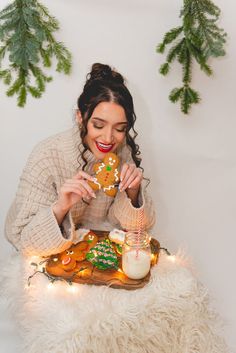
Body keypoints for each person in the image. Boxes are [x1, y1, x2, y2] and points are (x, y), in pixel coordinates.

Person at [5, 63, 155, 257]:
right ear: (80, 117)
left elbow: (138, 232)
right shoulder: (47, 156)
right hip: (44, 257)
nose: (108, 139)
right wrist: (61, 206)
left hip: (92, 254)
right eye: (98, 125)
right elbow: (24, 242)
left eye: (119, 129)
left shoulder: (122, 153)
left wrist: (133, 194)